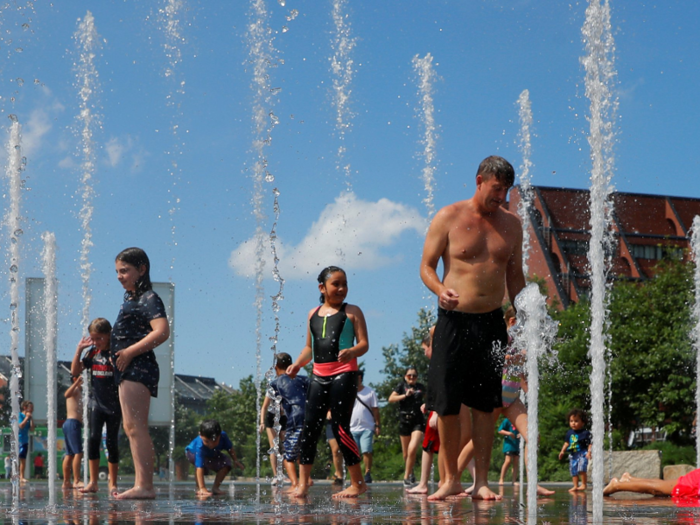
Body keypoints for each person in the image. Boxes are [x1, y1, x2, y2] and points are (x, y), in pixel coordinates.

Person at [420, 155, 525, 500]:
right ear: (479, 180)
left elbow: (515, 275)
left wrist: (525, 314)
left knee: (485, 404)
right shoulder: (448, 216)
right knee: (447, 403)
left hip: (492, 323)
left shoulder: (512, 225)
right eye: (496, 189)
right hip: (453, 320)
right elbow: (426, 266)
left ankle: (481, 481)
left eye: (506, 191)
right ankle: (449, 479)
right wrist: (440, 290)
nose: (501, 197)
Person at [286, 265, 369, 499]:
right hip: (318, 376)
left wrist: (352, 351)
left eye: (345, 284)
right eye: (336, 284)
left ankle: (357, 482)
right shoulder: (312, 314)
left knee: (341, 428)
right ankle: (303, 484)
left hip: (344, 374)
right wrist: (298, 364)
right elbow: (308, 348)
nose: (342, 288)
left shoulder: (352, 311)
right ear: (322, 287)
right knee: (309, 428)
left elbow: (364, 344)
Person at [111, 247, 170, 499]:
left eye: (125, 271)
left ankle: (145, 486)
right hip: (129, 368)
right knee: (131, 427)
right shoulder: (132, 298)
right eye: (117, 272)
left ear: (142, 269)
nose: (119, 276)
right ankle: (141, 484)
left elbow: (162, 331)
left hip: (138, 367)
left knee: (136, 427)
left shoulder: (149, 297)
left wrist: (129, 352)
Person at [71, 318, 121, 494]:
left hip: (115, 405)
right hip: (96, 403)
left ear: (109, 335)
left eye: (100, 338)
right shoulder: (92, 353)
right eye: (93, 339)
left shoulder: (116, 352)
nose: (97, 342)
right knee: (93, 439)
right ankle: (93, 482)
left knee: (112, 442)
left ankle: (112, 483)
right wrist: (79, 350)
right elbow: (75, 371)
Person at [261, 352, 309, 492]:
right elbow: (265, 407)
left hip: (289, 417)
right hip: (281, 416)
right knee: (283, 447)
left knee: (289, 449)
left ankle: (296, 481)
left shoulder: (279, 382)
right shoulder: (300, 380)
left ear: (276, 367)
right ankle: (285, 476)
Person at [186, 419, 243, 497]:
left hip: (211, 454)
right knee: (201, 467)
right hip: (191, 453)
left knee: (226, 463)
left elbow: (230, 448)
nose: (210, 444)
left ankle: (215, 487)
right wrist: (202, 487)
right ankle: (199, 488)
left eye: (214, 440)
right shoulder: (200, 445)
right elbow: (199, 467)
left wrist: (235, 460)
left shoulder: (223, 436)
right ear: (200, 435)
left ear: (219, 435)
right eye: (206, 441)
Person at [389, 367, 425, 487]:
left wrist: (426, 405)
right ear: (405, 376)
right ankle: (411, 473)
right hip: (404, 421)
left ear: (417, 377)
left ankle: (406, 477)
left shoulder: (421, 387)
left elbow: (429, 398)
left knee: (412, 448)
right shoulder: (401, 386)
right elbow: (391, 399)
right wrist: (405, 395)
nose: (411, 377)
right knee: (406, 454)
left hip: (418, 421)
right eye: (409, 375)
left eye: (414, 376)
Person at [350, 370, 380, 484]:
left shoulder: (370, 392)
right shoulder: (349, 392)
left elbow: (375, 409)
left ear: (360, 378)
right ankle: (355, 475)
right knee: (353, 453)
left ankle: (367, 472)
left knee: (366, 450)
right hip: (352, 427)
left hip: (367, 426)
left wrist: (377, 424)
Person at [259, 381, 288, 484]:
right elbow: (264, 407)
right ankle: (276, 475)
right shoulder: (272, 389)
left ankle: (283, 474)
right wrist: (262, 422)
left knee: (285, 446)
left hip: (284, 417)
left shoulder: (289, 387)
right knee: (274, 446)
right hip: (271, 417)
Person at [559, 408, 592, 492]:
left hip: (582, 453)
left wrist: (589, 452)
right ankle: (575, 485)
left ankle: (584, 484)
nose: (573, 423)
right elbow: (566, 442)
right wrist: (562, 451)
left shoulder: (585, 433)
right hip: (573, 454)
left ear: (583, 422)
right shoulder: (569, 433)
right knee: (573, 470)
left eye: (576, 421)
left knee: (581, 469)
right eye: (571, 421)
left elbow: (590, 444)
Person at [604, 470, 700, 498]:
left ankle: (629, 480)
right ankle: (617, 485)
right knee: (660, 489)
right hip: (694, 485)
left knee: (663, 486)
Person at [62, 374, 84, 489]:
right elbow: (66, 394)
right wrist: (76, 382)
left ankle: (66, 482)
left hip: (71, 424)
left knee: (70, 454)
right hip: (72, 423)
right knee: (78, 453)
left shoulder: (80, 392)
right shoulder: (75, 389)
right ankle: (76, 481)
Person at [497, 417, 519, 485]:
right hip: (509, 444)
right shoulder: (507, 420)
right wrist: (508, 433)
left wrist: (521, 434)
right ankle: (501, 479)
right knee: (508, 461)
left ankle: (514, 480)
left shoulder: (520, 420)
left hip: (517, 444)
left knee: (516, 462)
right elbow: (500, 430)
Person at [325, 411, 344, 485]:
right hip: (331, 423)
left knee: (343, 450)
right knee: (335, 450)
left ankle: (339, 472)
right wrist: (328, 411)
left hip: (346, 422)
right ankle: (339, 475)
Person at [18, 400, 35, 483]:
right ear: (25, 407)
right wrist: (27, 418)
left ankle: (21, 477)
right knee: (16, 459)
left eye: (32, 408)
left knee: (23, 459)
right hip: (17, 440)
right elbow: (21, 426)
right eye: (30, 407)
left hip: (24, 441)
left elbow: (32, 429)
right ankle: (15, 475)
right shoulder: (20, 415)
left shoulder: (29, 418)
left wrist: (31, 419)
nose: (32, 409)